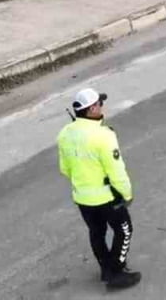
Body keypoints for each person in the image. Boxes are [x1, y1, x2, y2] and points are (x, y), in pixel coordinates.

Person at [56, 88, 141, 290]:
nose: (103, 106)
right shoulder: (104, 135)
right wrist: (127, 194)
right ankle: (116, 271)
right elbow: (116, 171)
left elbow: (64, 169)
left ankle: (106, 269)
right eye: (100, 103)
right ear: (92, 108)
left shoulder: (65, 134)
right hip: (107, 197)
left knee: (96, 232)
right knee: (124, 230)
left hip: (82, 198)